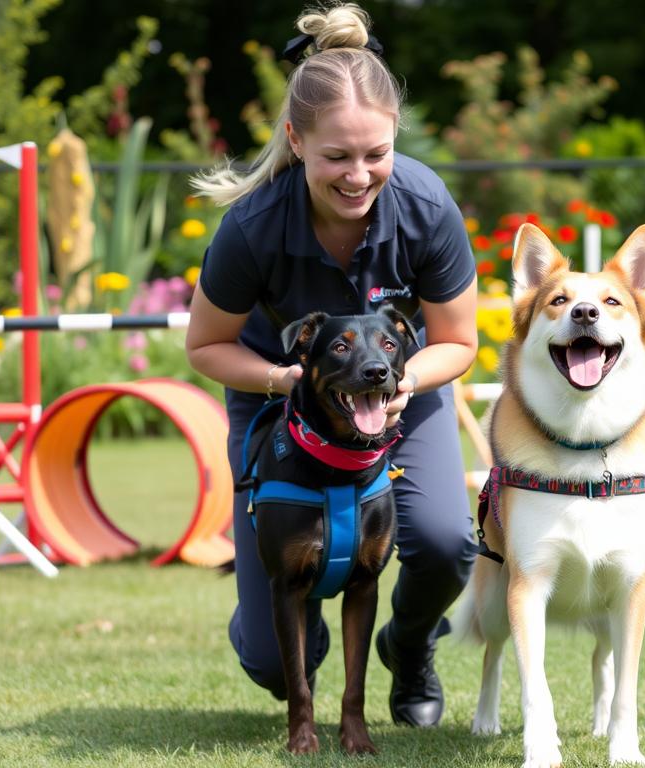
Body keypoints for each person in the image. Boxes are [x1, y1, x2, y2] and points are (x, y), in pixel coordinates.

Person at [185, 2, 478, 727]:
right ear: (295, 140)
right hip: (278, 398)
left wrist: (403, 381)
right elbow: (205, 346)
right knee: (272, 662)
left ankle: (409, 650)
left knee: (445, 542)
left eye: (375, 154)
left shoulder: (425, 205)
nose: (358, 175)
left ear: (395, 139)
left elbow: (459, 342)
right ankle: (288, 644)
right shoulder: (252, 227)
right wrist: (285, 380)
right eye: (336, 157)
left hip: (398, 393)